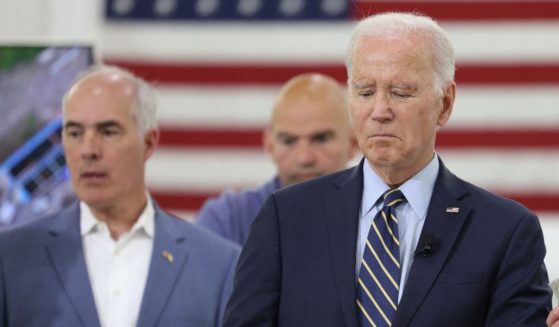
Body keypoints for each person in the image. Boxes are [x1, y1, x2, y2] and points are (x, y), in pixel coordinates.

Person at [223, 12, 551, 326]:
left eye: (400, 92)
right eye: (365, 92)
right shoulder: (286, 217)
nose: (380, 111)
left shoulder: (505, 232)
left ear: (445, 104)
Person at [0, 65, 240, 327]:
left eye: (108, 132)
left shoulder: (219, 266)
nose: (88, 150)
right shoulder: (10, 259)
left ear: (148, 143)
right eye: (75, 133)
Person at [196, 73, 357, 245]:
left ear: (353, 143)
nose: (304, 158)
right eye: (288, 141)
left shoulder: (381, 219)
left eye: (321, 139)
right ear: (269, 146)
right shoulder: (228, 220)